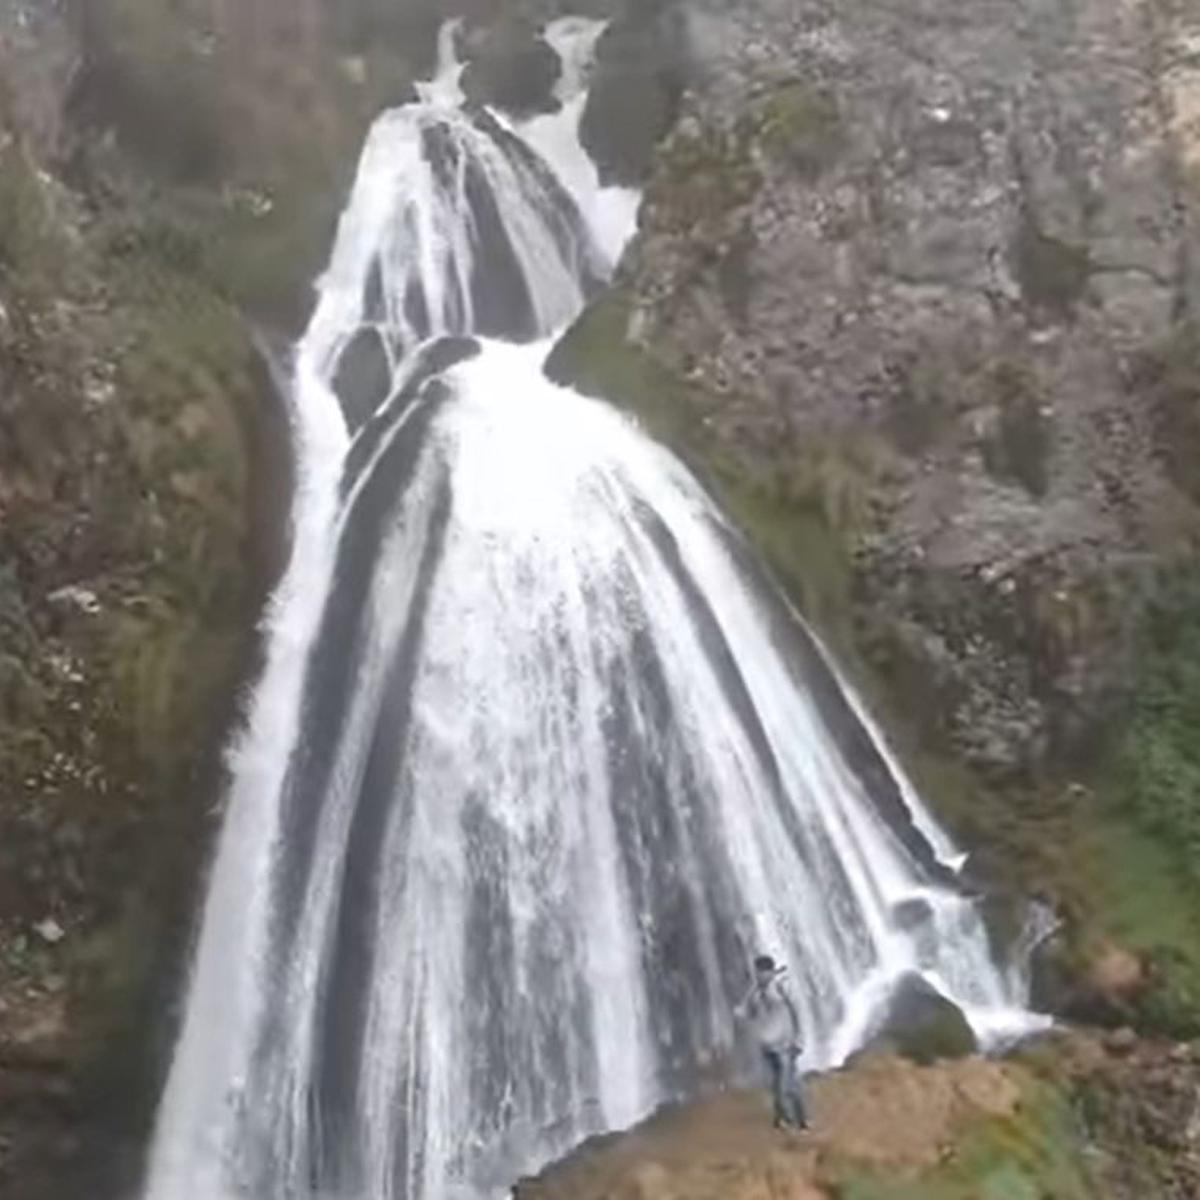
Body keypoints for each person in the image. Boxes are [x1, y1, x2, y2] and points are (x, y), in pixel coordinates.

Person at [736, 953, 809, 1130]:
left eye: (761, 972)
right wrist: (740, 1014)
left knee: (786, 1085)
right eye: (756, 972)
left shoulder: (782, 986)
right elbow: (746, 1012)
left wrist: (800, 1039)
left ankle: (793, 1121)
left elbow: (798, 1011)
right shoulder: (755, 993)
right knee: (778, 1085)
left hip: (786, 1044)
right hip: (768, 1047)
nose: (757, 975)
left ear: (769, 972)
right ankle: (788, 1120)